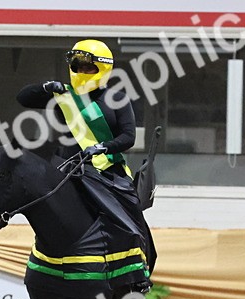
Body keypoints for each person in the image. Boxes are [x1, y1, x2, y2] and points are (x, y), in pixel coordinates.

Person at [16, 38, 155, 272]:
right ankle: (42, 263)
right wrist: (46, 87)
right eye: (77, 67)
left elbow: (128, 137)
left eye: (88, 68)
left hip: (106, 167)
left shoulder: (117, 99)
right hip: (67, 167)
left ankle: (140, 267)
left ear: (102, 69)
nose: (81, 72)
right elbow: (24, 98)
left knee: (132, 210)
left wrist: (102, 147)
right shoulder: (64, 95)